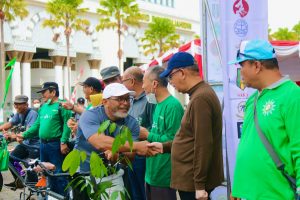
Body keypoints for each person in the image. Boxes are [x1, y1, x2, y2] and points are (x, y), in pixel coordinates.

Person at [228, 40, 300, 199]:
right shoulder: (253, 99)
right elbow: (249, 144)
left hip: (276, 195)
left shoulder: (293, 95)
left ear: (256, 65)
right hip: (246, 193)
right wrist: (238, 186)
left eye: (242, 66)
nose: (240, 73)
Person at [156, 52, 223, 200]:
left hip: (193, 184)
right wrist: (164, 147)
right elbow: (190, 138)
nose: (170, 82)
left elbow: (203, 143)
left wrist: (199, 185)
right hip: (191, 181)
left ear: (181, 72)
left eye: (171, 76)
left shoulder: (200, 98)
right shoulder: (198, 94)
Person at [74, 83, 140, 199]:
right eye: (119, 99)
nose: (125, 103)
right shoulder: (90, 116)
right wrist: (138, 146)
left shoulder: (132, 123)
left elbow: (129, 157)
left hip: (112, 175)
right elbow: (99, 142)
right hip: (83, 174)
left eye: (127, 99)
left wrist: (118, 156)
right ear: (105, 102)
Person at [17, 82, 72, 197]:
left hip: (55, 145)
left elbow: (68, 125)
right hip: (43, 145)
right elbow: (37, 126)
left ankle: (62, 197)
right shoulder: (43, 107)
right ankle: (51, 197)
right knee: (45, 173)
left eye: (44, 92)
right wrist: (24, 135)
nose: (42, 95)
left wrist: (63, 142)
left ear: (53, 92)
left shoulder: (62, 106)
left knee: (58, 174)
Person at [141, 66, 184, 200]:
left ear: (154, 83)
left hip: (164, 175)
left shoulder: (173, 106)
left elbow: (173, 140)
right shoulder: (158, 105)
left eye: (144, 82)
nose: (142, 87)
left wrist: (147, 135)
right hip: (152, 173)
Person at [122, 66, 156, 200]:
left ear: (131, 81)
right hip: (130, 155)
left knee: (144, 193)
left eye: (123, 80)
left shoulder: (150, 100)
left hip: (143, 157)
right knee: (134, 193)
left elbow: (154, 129)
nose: (122, 84)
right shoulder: (129, 101)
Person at [0, 95, 39, 188]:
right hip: (25, 144)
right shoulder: (19, 113)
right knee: (11, 158)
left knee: (30, 165)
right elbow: (10, 123)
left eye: (19, 104)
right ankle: (20, 179)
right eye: (15, 104)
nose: (16, 106)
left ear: (26, 104)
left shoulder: (32, 114)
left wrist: (12, 136)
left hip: (34, 145)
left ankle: (33, 186)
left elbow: (28, 132)